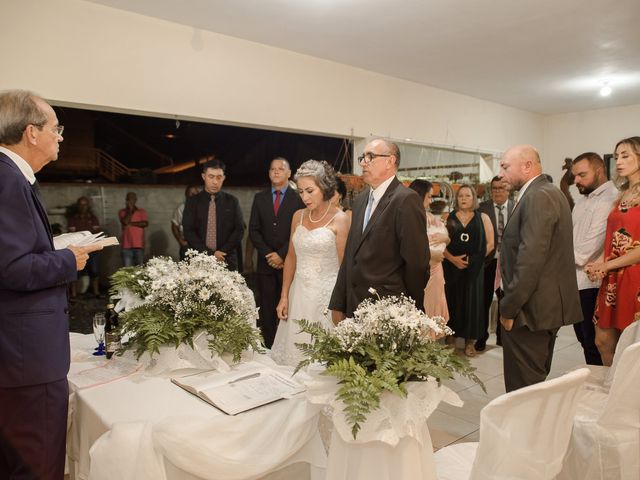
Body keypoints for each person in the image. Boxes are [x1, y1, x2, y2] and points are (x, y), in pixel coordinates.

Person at [0, 89, 101, 479]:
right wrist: (68, 258)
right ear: (31, 132)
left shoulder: (15, 178)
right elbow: (12, 268)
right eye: (56, 129)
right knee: (37, 465)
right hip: (27, 360)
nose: (61, 137)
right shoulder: (9, 181)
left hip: (19, 355)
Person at [498, 144, 582, 392]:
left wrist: (509, 308)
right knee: (532, 383)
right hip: (541, 307)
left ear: (527, 165)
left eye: (505, 166)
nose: (501, 174)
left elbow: (530, 260)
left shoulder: (537, 196)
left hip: (530, 311)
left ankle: (526, 431)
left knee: (523, 389)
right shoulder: (548, 192)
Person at [329, 139, 429, 322]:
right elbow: (351, 255)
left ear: (390, 161)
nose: (363, 162)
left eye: (371, 157)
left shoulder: (406, 200)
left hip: (388, 309)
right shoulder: (360, 201)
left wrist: (410, 307)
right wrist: (338, 302)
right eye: (363, 157)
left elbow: (417, 264)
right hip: (355, 307)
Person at [272, 160, 350, 366]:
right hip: (298, 295)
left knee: (323, 360)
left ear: (323, 188)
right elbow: (291, 257)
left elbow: (345, 267)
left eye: (309, 191)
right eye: (300, 192)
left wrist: (342, 305)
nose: (304, 197)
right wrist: (284, 296)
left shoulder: (340, 219)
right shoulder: (297, 216)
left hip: (326, 298)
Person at [586, 136, 640, 366]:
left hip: (635, 278)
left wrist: (606, 265)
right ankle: (613, 388)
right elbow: (611, 237)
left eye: (625, 155)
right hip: (612, 278)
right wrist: (599, 262)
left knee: (631, 346)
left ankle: (628, 397)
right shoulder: (622, 194)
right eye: (617, 156)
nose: (618, 161)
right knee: (603, 341)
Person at [248, 157, 304, 348]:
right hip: (265, 263)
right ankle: (269, 346)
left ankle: (286, 345)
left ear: (289, 174)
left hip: (289, 260)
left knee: (289, 304)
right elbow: (253, 230)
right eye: (272, 169)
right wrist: (268, 254)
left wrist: (281, 254)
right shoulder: (259, 198)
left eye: (281, 169)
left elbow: (300, 230)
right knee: (266, 305)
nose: (276, 172)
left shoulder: (298, 199)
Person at [571, 152, 617, 365]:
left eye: (582, 175)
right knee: (583, 338)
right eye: (575, 176)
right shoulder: (582, 202)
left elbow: (586, 250)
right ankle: (594, 380)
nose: (576, 181)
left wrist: (559, 258)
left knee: (595, 342)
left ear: (599, 171)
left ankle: (600, 388)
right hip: (575, 281)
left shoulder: (610, 198)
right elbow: (568, 238)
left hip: (593, 283)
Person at [443, 185, 494, 357]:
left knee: (473, 303)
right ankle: (449, 339)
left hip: (474, 269)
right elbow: (441, 244)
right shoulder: (448, 218)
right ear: (456, 199)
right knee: (452, 301)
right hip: (451, 267)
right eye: (460, 196)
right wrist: (453, 259)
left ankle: (469, 342)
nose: (464, 199)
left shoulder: (483, 218)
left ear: (474, 198)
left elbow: (490, 244)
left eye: (467, 195)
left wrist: (474, 261)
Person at [183, 159, 245, 271]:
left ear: (224, 178)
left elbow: (239, 229)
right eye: (211, 177)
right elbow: (188, 231)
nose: (215, 182)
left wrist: (222, 252)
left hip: (226, 259)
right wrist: (210, 254)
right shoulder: (192, 202)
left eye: (219, 177)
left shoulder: (232, 201)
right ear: (203, 176)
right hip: (199, 260)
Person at [476, 177, 514, 351]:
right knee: (483, 300)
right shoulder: (481, 208)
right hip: (487, 262)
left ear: (508, 190)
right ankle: (481, 337)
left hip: (509, 263)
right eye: (494, 188)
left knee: (505, 300)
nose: (498, 191)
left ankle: (502, 337)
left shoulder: (517, 207)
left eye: (501, 188)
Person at [409, 179, 450, 320]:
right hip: (420, 268)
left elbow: (447, 237)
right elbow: (409, 245)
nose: (431, 200)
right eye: (429, 196)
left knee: (433, 309)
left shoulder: (431, 217)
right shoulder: (409, 216)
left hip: (435, 268)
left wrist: (444, 239)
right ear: (421, 195)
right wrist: (432, 254)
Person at [68, 196, 102, 298]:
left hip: (91, 249)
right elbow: (72, 233)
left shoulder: (93, 218)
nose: (83, 207)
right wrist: (87, 235)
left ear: (88, 206)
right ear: (78, 206)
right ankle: (73, 294)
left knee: (94, 270)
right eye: (81, 205)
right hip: (78, 249)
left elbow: (96, 232)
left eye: (85, 205)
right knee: (76, 271)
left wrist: (83, 235)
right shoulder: (73, 219)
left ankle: (96, 293)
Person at [118, 191, 148, 266]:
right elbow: (125, 222)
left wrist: (131, 224)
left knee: (139, 269)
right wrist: (130, 211)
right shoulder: (122, 212)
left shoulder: (141, 211)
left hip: (139, 246)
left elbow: (145, 223)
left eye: (133, 199)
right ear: (126, 200)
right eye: (129, 199)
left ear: (136, 200)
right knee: (127, 270)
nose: (131, 201)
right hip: (126, 246)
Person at [171, 184, 200, 260]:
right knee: (185, 269)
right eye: (191, 193)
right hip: (187, 245)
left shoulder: (204, 208)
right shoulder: (181, 208)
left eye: (196, 193)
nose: (194, 195)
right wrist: (181, 241)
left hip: (201, 244)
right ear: (186, 194)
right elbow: (174, 225)